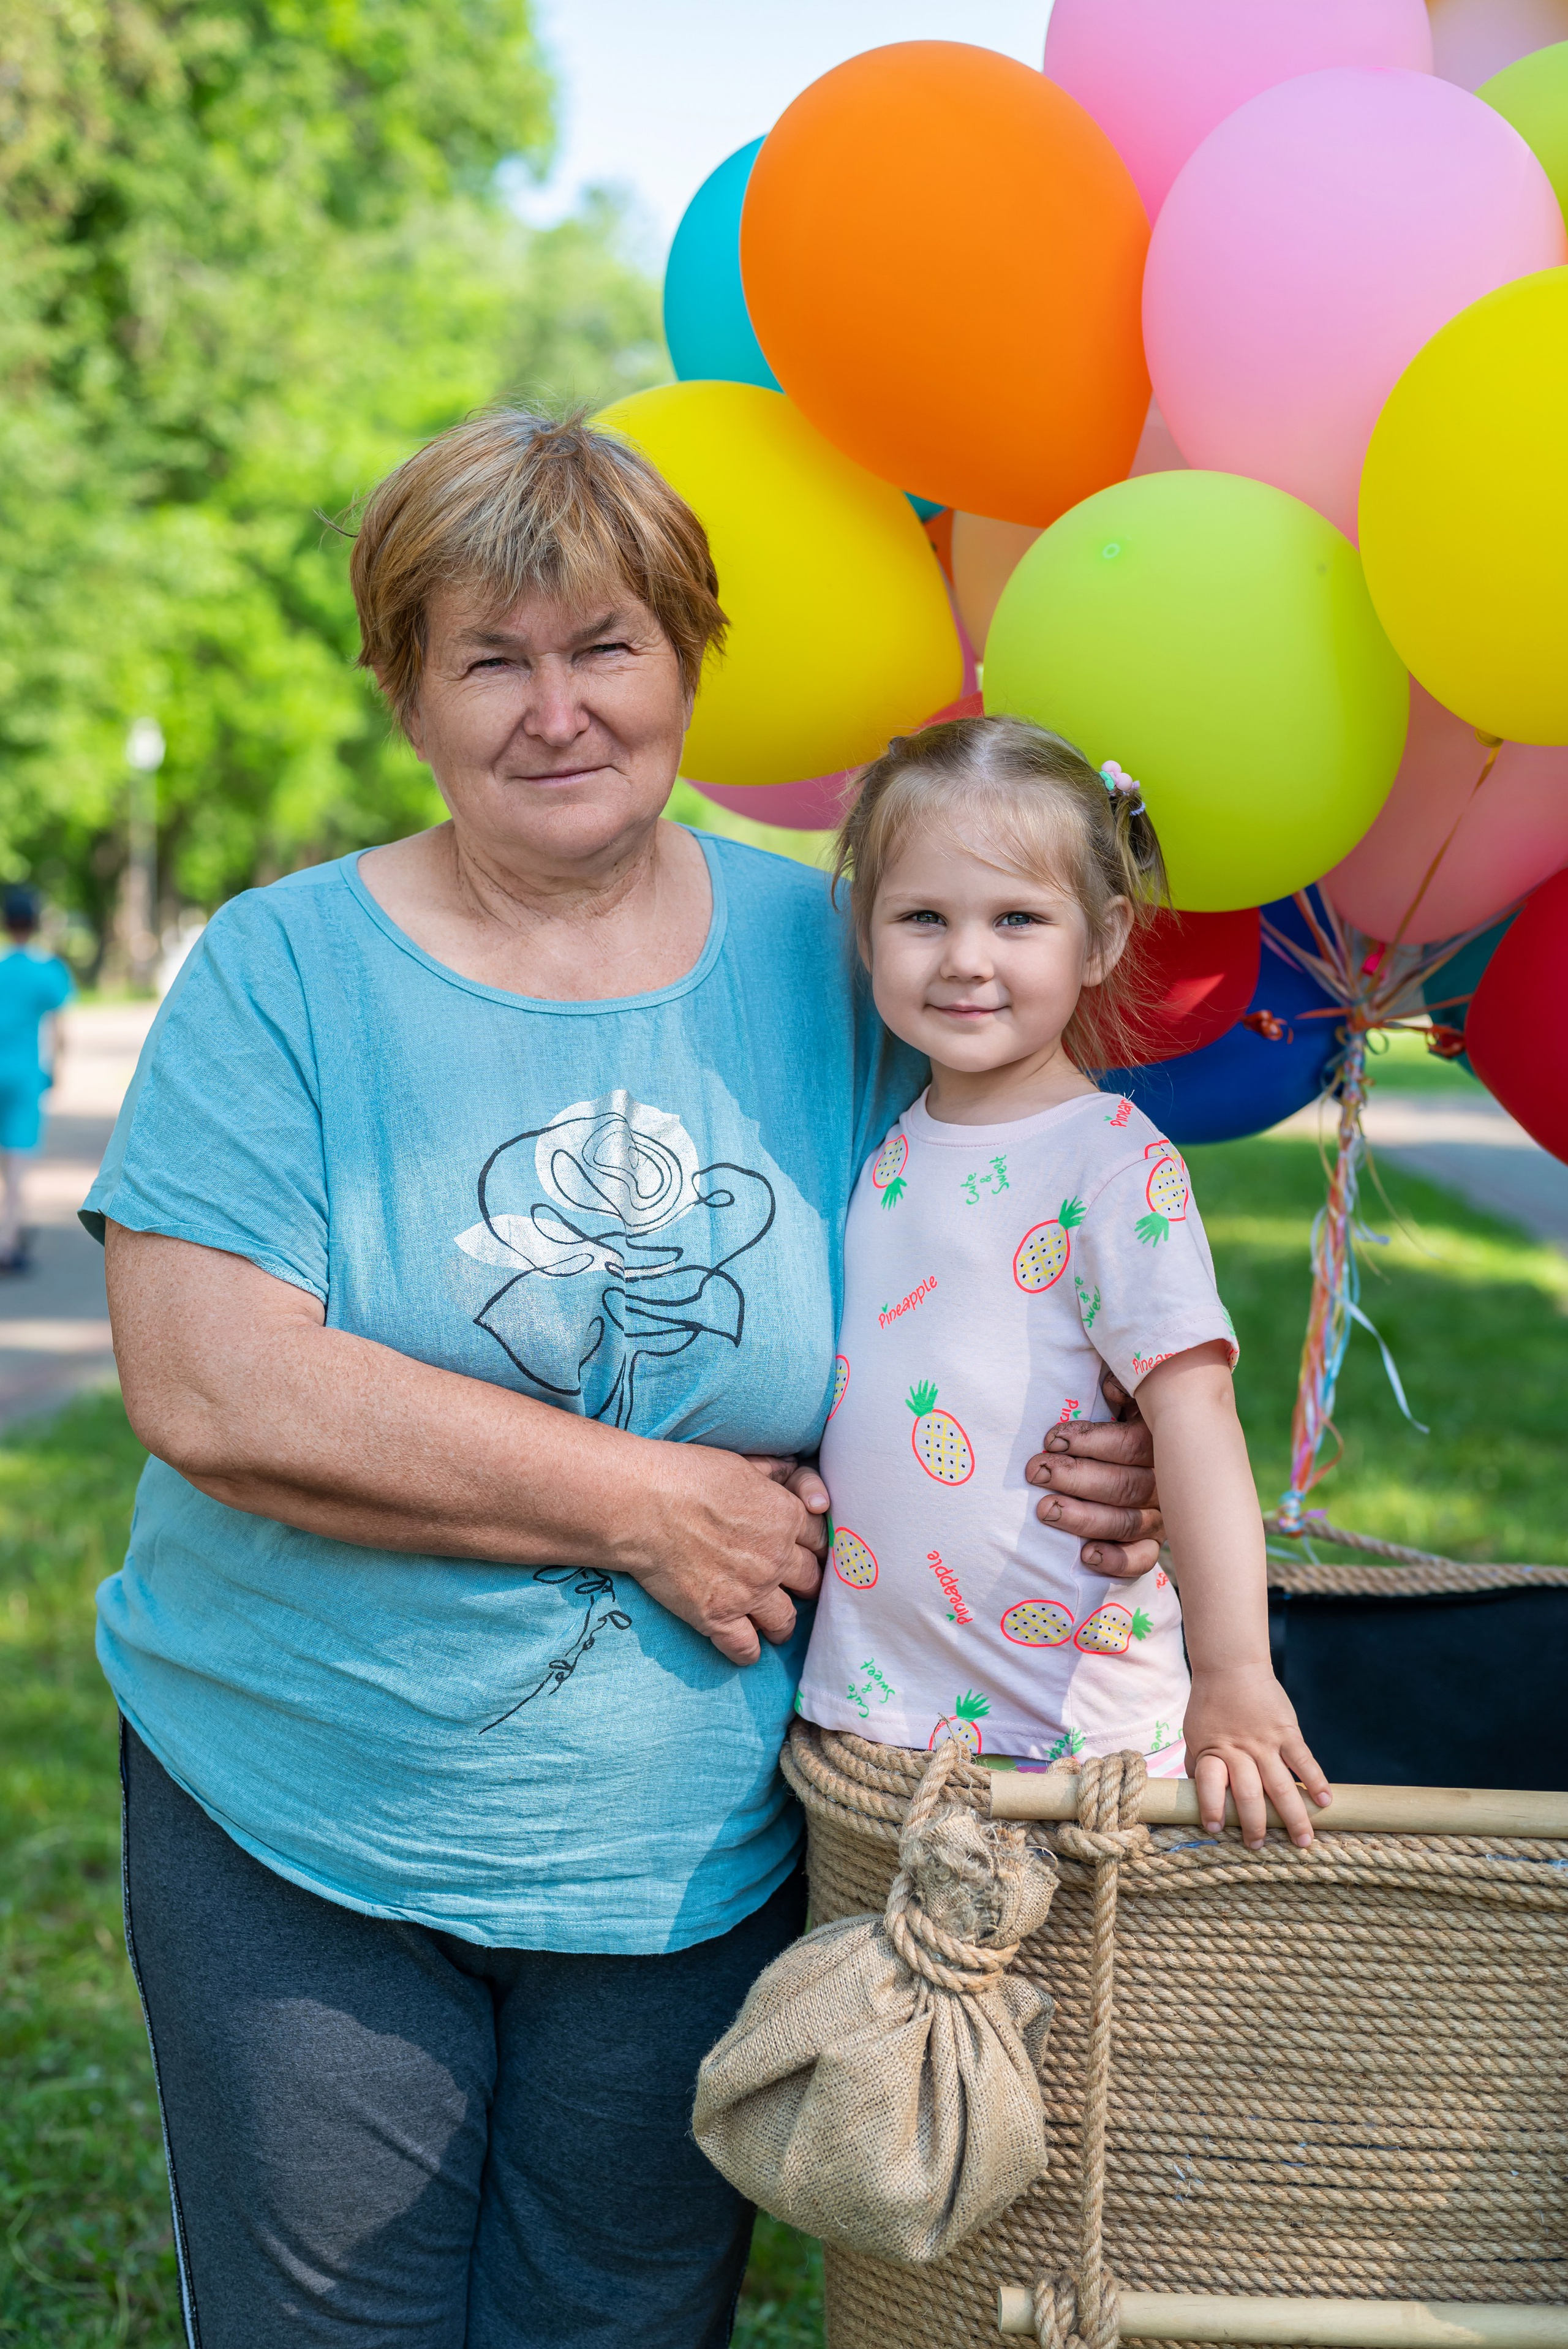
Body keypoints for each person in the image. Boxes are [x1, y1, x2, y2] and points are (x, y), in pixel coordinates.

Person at [86, 410, 1159, 2348]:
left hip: (700, 1837)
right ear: (408, 690)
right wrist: (648, 1503)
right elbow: (212, 1383)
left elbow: (1017, 1243)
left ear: (687, 660)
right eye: (489, 658)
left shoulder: (839, 952)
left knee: (620, 2319)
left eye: (606, 646)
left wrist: (1111, 1447)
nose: (557, 709)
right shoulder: (280, 971)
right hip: (301, 1800)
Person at [797, 715, 1332, 1849]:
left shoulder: (1109, 1159)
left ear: (1101, 939)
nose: (965, 958)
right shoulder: (883, 1145)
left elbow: (1195, 1411)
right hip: (884, 1717)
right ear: (866, 927)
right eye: (922, 917)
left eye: (1018, 919)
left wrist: (1234, 1673)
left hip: (1073, 1735)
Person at [0, 885, 73, 1272]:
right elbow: (59, 1031)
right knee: (16, 1163)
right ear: (35, 923)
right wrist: (57, 1070)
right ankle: (7, 1243)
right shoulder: (48, 971)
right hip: (25, 1076)